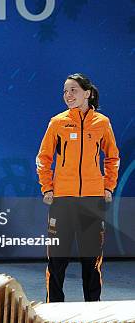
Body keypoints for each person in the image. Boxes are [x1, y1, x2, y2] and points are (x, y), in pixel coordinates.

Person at [36, 73, 119, 302]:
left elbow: (112, 158)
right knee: (57, 260)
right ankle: (54, 309)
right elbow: (44, 157)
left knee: (91, 261)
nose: (68, 95)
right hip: (62, 200)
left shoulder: (102, 123)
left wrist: (108, 187)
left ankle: (93, 310)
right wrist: (48, 188)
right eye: (65, 91)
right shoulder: (58, 122)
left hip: (92, 200)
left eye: (73, 90)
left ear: (87, 93)